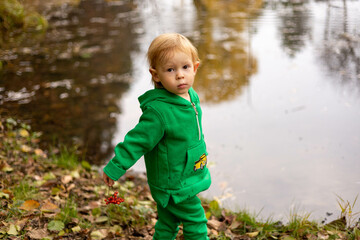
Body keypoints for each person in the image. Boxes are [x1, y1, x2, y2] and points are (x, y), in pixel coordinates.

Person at [103, 33, 211, 240]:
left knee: (168, 221)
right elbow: (137, 140)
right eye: (171, 69)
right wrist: (117, 166)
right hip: (174, 182)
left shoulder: (191, 97)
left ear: (195, 68)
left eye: (185, 67)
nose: (180, 75)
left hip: (186, 172)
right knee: (196, 220)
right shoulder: (159, 113)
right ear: (156, 75)